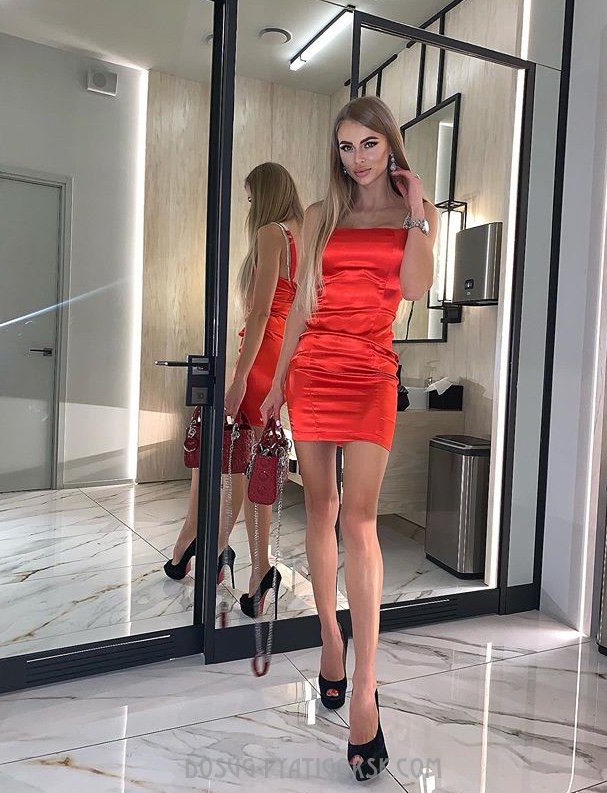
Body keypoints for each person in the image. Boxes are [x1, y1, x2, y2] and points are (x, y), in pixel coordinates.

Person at [261, 96, 437, 781]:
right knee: (320, 510)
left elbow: (415, 288)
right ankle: (330, 637)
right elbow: (301, 307)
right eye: (346, 146)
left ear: (390, 147)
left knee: (360, 521)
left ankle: (365, 689)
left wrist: (417, 208)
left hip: (370, 375)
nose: (356, 158)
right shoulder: (319, 215)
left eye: (369, 144)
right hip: (313, 371)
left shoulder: (413, 213)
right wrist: (276, 385)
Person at [164, 162, 303, 620]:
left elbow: (260, 313)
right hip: (288, 354)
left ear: (264, 194)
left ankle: (237, 558)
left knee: (237, 459)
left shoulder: (270, 233)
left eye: (250, 197)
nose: (249, 205)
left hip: (262, 354)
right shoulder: (306, 234)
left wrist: (240, 377)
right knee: (252, 460)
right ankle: (231, 555)